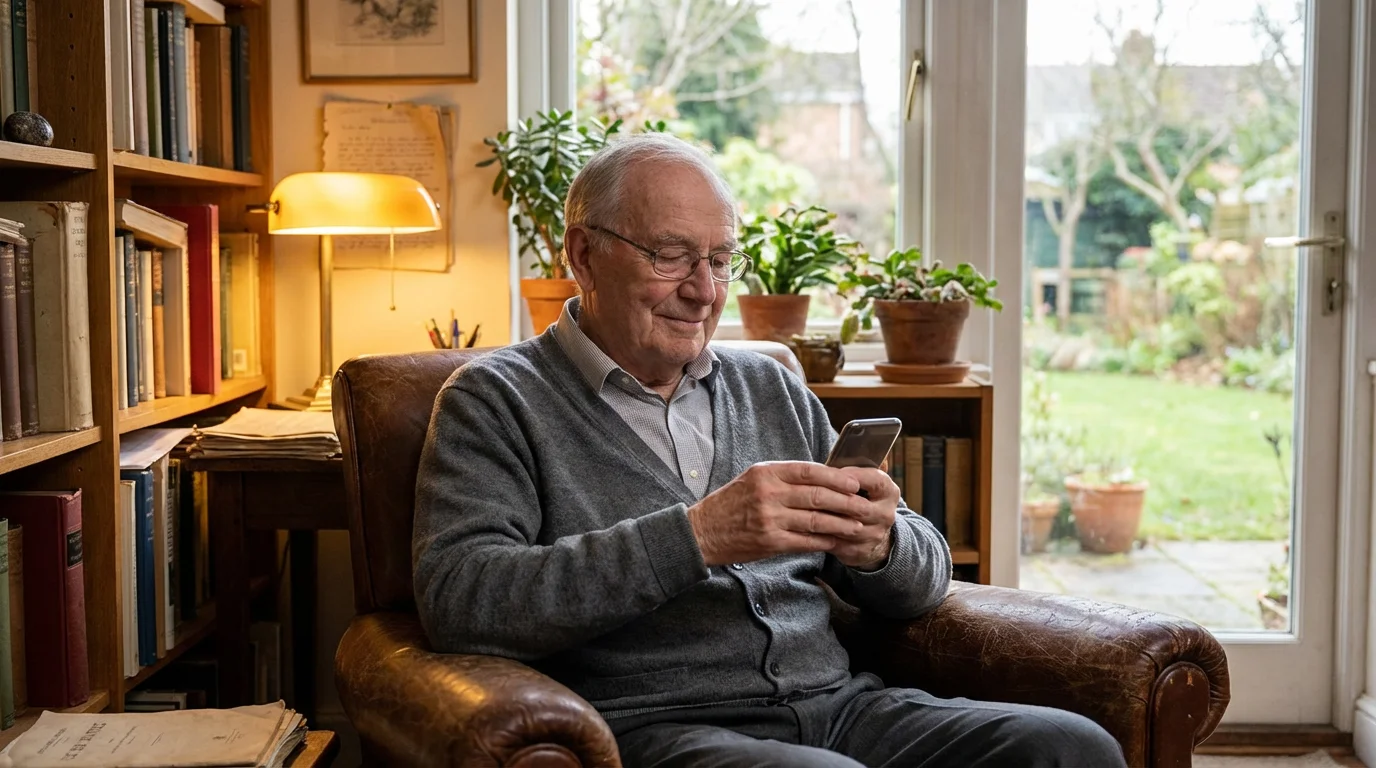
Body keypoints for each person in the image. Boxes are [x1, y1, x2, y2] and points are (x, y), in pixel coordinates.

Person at [412, 133, 1126, 768]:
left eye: (720, 260)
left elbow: (922, 579)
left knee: (1071, 748)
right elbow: (462, 599)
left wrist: (881, 545)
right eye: (670, 256)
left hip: (842, 709)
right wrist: (696, 536)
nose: (703, 291)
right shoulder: (495, 400)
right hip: (660, 729)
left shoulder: (768, 384)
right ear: (583, 255)